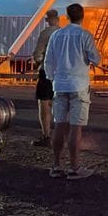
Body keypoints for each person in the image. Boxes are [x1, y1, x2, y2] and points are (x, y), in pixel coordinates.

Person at [43, 3, 100, 180]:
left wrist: (53, 79)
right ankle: (75, 168)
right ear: (82, 16)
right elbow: (96, 59)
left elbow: (48, 62)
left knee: (59, 125)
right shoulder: (85, 35)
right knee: (76, 127)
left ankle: (56, 166)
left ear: (66, 17)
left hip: (59, 85)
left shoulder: (56, 35)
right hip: (79, 86)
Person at [31, 9, 60, 147]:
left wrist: (38, 60)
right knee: (60, 105)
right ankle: (61, 136)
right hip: (62, 74)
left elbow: (37, 54)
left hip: (47, 72)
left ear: (48, 20)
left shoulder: (45, 34)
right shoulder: (64, 33)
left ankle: (46, 135)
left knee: (44, 103)